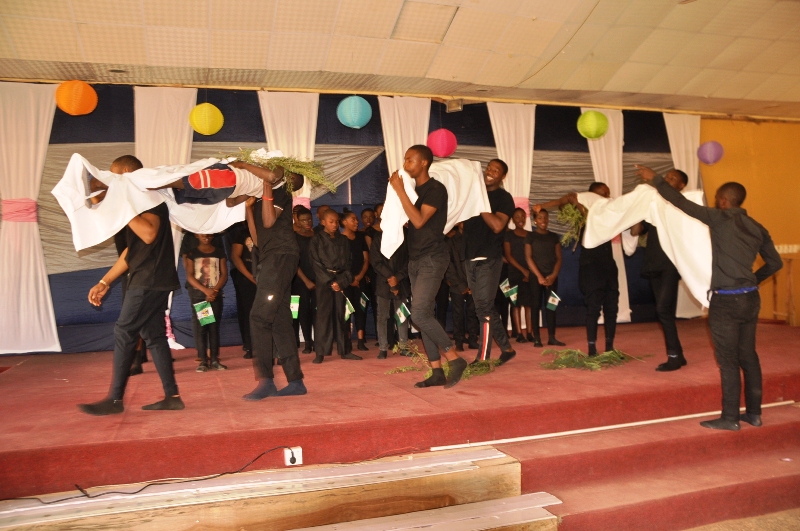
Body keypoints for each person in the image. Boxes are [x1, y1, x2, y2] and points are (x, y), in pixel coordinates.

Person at [636, 165, 782, 431]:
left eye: (717, 199)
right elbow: (775, 263)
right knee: (748, 356)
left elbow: (679, 202)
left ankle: (730, 418)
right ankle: (754, 414)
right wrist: (752, 280)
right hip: (750, 299)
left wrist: (655, 179)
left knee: (727, 360)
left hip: (726, 301)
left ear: (723, 201)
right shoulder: (757, 227)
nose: (716, 203)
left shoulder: (719, 218)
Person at [78, 158, 183, 415]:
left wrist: (120, 204)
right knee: (154, 336)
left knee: (124, 331)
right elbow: (130, 252)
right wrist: (105, 281)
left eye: (115, 176)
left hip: (149, 280)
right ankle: (172, 396)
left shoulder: (149, 197)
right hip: (150, 278)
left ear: (126, 173)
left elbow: (148, 234)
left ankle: (115, 399)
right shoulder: (136, 203)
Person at [388, 145, 468, 388]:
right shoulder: (414, 191)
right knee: (425, 316)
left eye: (410, 160)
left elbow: (420, 220)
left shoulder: (435, 189)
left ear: (424, 162)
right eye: (404, 160)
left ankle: (454, 358)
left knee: (419, 314)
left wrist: (399, 190)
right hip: (415, 260)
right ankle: (436, 371)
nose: (405, 164)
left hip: (432, 258)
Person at [241, 170, 307, 400]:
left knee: (259, 317)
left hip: (280, 258)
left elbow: (269, 221)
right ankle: (295, 381)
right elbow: (258, 239)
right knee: (279, 320)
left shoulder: (280, 193)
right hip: (272, 258)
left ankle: (266, 381)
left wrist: (267, 184)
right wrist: (249, 209)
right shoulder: (264, 198)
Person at [534, 182, 618, 356]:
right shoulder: (583, 214)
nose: (607, 197)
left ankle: (610, 347)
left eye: (608, 193)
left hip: (609, 265)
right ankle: (592, 349)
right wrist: (542, 206)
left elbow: (597, 219)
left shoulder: (607, 214)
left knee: (611, 308)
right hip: (591, 266)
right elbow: (563, 201)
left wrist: (578, 205)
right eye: (603, 194)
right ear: (591, 196)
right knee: (593, 308)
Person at [630, 169, 690, 372]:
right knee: (665, 312)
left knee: (663, 310)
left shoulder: (681, 206)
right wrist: (638, 211)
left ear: (681, 186)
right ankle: (678, 355)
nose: (667, 180)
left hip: (670, 265)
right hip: (653, 264)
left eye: (673, 179)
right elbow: (636, 231)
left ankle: (674, 357)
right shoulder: (656, 206)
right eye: (666, 177)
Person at [461, 159, 517, 365]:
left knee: (483, 308)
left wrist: (480, 201)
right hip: (470, 258)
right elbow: (462, 224)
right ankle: (507, 348)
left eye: (497, 170)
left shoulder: (504, 198)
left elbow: (497, 225)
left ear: (503, 177)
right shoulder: (473, 195)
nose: (491, 171)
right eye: (489, 168)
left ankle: (483, 357)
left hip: (489, 259)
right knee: (483, 308)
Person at [309, 209, 362, 363]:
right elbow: (315, 263)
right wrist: (330, 281)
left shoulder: (343, 240)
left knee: (342, 315)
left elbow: (348, 262)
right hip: (324, 281)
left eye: (336, 222)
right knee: (323, 317)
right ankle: (320, 352)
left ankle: (345, 350)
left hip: (340, 280)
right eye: (331, 222)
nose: (334, 225)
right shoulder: (316, 240)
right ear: (323, 222)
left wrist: (342, 281)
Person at [185, 233, 228, 372]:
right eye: (203, 234)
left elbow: (224, 274)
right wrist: (206, 291)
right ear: (196, 235)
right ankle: (203, 360)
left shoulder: (219, 252)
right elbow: (190, 276)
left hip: (215, 296)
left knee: (214, 327)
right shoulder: (193, 253)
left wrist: (214, 291)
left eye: (209, 234)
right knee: (203, 327)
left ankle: (214, 359)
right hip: (200, 296)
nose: (206, 236)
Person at [525, 209, 565, 347]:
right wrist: (539, 276)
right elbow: (528, 257)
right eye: (540, 218)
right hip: (536, 278)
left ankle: (552, 337)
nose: (543, 221)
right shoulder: (530, 236)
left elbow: (559, 258)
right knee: (535, 306)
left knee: (551, 307)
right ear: (535, 220)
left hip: (551, 278)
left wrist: (553, 276)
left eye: (546, 218)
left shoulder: (553, 237)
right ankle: (537, 338)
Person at [369, 225, 411, 359]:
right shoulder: (378, 239)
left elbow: (409, 260)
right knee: (382, 317)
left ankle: (404, 346)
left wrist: (397, 278)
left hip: (401, 282)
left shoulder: (405, 238)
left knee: (402, 315)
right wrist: (390, 277)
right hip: (383, 282)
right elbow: (375, 261)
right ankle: (383, 348)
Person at [446, 224, 479, 351]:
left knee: (472, 312)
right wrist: (460, 285)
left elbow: (479, 263)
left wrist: (472, 283)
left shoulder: (475, 240)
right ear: (458, 222)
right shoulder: (451, 242)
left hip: (473, 282)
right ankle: (459, 341)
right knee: (458, 314)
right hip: (457, 284)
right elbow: (448, 265)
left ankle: (473, 339)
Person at [341, 210, 370, 352]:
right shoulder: (339, 240)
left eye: (356, 219)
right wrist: (350, 279)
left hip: (360, 280)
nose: (356, 222)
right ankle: (347, 341)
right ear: (344, 222)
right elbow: (339, 263)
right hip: (345, 282)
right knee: (346, 312)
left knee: (360, 310)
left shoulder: (360, 237)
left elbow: (366, 259)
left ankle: (360, 340)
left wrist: (359, 277)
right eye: (353, 219)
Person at [229, 216, 258, 359]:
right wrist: (250, 277)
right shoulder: (242, 233)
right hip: (247, 280)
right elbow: (235, 257)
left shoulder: (267, 232)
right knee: (248, 313)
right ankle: (250, 346)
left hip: (265, 279)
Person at [504, 208, 533, 344]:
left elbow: (533, 255)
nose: (520, 219)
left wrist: (529, 271)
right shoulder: (508, 235)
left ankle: (530, 332)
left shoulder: (530, 235)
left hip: (529, 273)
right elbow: (508, 256)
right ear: (512, 219)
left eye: (522, 216)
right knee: (515, 303)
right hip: (514, 273)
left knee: (528, 304)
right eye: (517, 217)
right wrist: (523, 270)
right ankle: (519, 333)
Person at [293, 206, 316, 353]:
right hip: (300, 280)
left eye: (309, 219)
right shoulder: (294, 237)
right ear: (297, 221)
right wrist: (306, 280)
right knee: (303, 311)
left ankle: (319, 340)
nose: (307, 222)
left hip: (318, 278)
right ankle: (308, 341)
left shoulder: (317, 235)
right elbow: (293, 262)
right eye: (303, 220)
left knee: (317, 311)